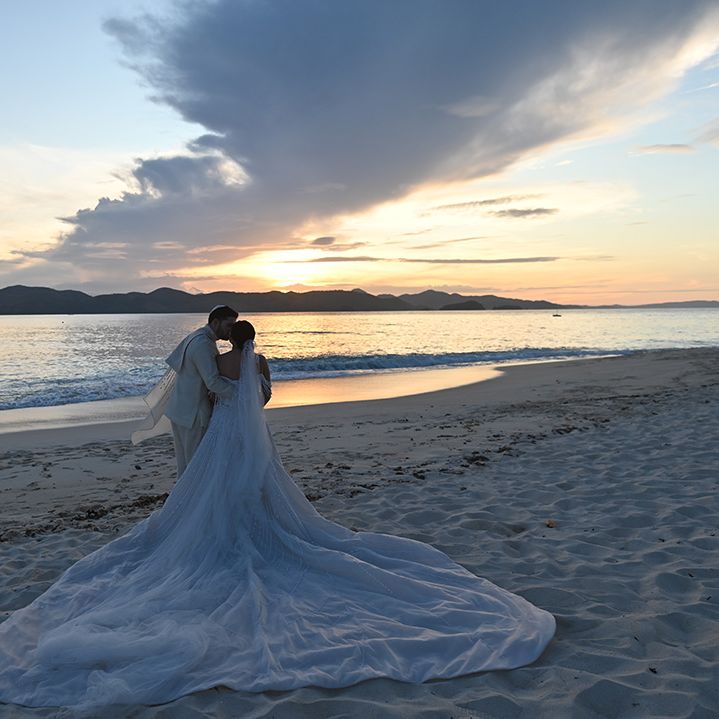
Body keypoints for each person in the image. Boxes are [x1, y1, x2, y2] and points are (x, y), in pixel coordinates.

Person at [0, 323, 555, 709]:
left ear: (227, 338)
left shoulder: (215, 358)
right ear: (254, 340)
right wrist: (256, 384)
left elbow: (217, 395)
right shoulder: (259, 361)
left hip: (220, 438)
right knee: (262, 497)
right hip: (252, 439)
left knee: (210, 495)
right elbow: (260, 400)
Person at [164, 305, 238, 477]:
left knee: (185, 467)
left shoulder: (197, 336)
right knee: (196, 468)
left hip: (181, 410)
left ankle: (184, 502)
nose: (231, 330)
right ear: (215, 322)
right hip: (193, 416)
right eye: (229, 325)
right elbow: (212, 382)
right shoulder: (203, 344)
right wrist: (240, 394)